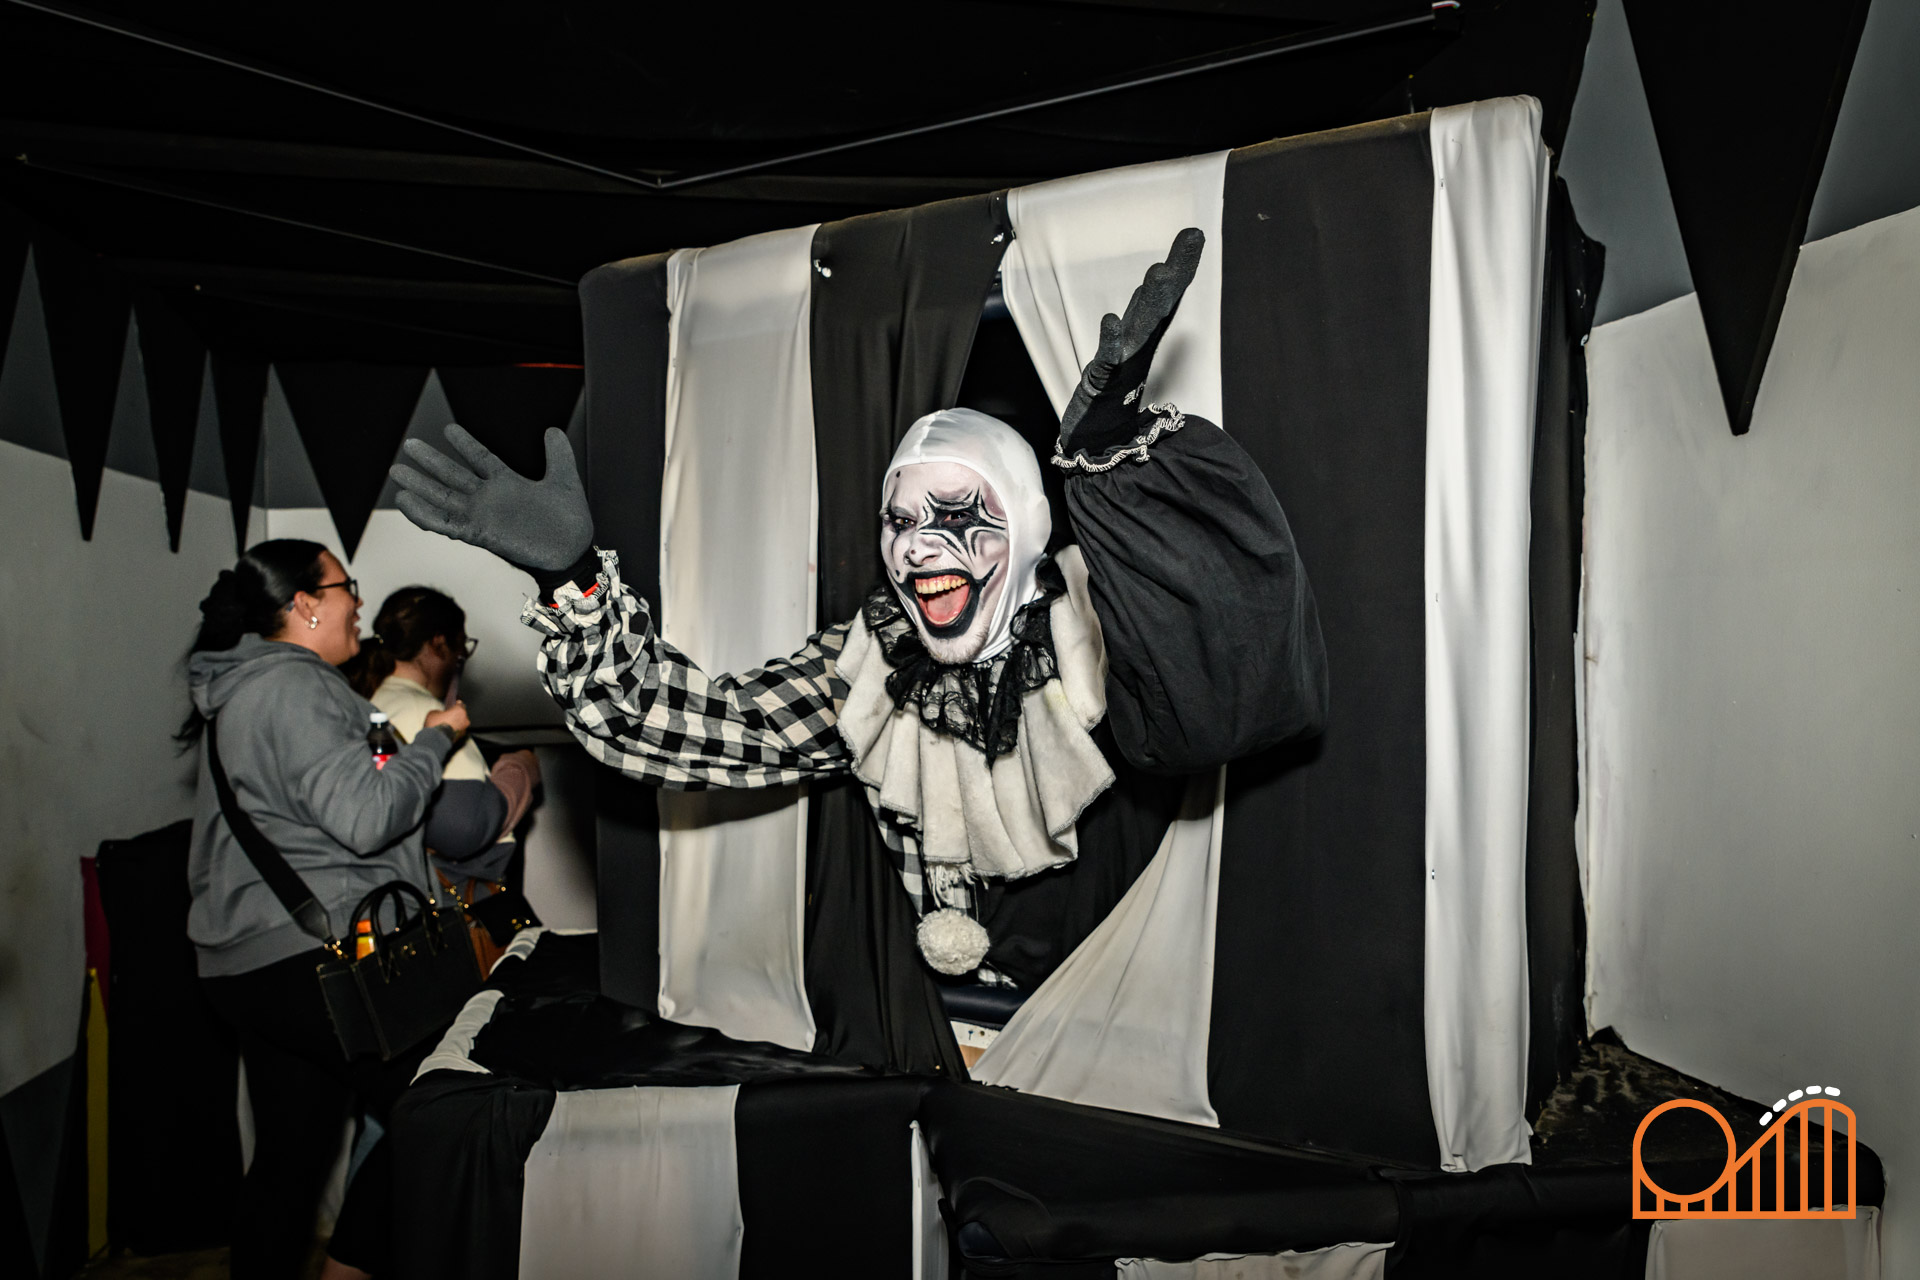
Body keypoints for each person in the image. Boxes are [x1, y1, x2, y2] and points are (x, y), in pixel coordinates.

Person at [390, 229, 1326, 980]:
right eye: (900, 520)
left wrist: (1121, 468)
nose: (918, 546)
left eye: (957, 513)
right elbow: (679, 729)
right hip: (956, 1029)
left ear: (1030, 524)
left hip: (1125, 1013)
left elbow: (1229, 688)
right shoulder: (873, 664)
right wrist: (573, 581)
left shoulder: (1100, 632)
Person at [181, 540, 468, 1280]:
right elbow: (366, 816)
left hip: (257, 964)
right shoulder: (291, 686)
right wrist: (435, 741)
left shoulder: (249, 687)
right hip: (311, 961)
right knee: (446, 1112)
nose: (359, 604)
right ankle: (350, 1270)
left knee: (290, 1159)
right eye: (347, 588)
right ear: (305, 604)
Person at [347, 586, 540, 960]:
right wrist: (520, 769)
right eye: (460, 647)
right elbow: (466, 827)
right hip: (458, 913)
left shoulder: (369, 706)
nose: (459, 660)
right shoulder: (427, 714)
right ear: (438, 644)